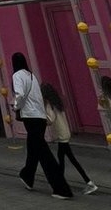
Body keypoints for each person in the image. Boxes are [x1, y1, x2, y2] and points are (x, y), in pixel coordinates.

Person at [11, 53, 73, 199]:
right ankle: (27, 175)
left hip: (30, 117)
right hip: (39, 117)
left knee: (43, 152)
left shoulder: (17, 75)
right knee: (34, 148)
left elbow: (19, 95)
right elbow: (38, 97)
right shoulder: (32, 76)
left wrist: (16, 107)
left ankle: (61, 188)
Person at [41, 82, 98, 195]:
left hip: (61, 136)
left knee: (69, 160)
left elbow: (50, 119)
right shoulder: (57, 103)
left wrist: (42, 118)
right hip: (65, 133)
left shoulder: (48, 105)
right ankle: (63, 182)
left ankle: (88, 182)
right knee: (64, 160)